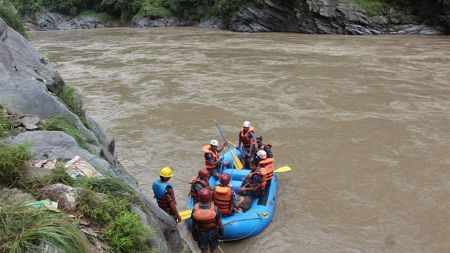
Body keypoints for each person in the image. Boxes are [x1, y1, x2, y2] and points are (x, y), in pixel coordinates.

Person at [191, 188, 224, 253]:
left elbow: (193, 226)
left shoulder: (195, 209)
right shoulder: (215, 209)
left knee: (204, 250)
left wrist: (195, 236)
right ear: (210, 198)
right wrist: (220, 235)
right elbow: (220, 226)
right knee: (213, 249)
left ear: (199, 198)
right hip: (213, 232)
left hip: (201, 233)